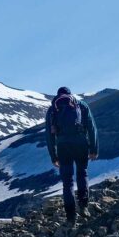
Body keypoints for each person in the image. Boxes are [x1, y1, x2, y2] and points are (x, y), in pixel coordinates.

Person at [45, 87, 99, 226]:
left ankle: (70, 216)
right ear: (70, 94)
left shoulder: (53, 110)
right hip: (80, 143)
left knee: (67, 181)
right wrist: (94, 148)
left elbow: (49, 136)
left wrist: (53, 156)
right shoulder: (81, 105)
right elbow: (92, 128)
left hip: (63, 146)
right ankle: (83, 206)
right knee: (82, 173)